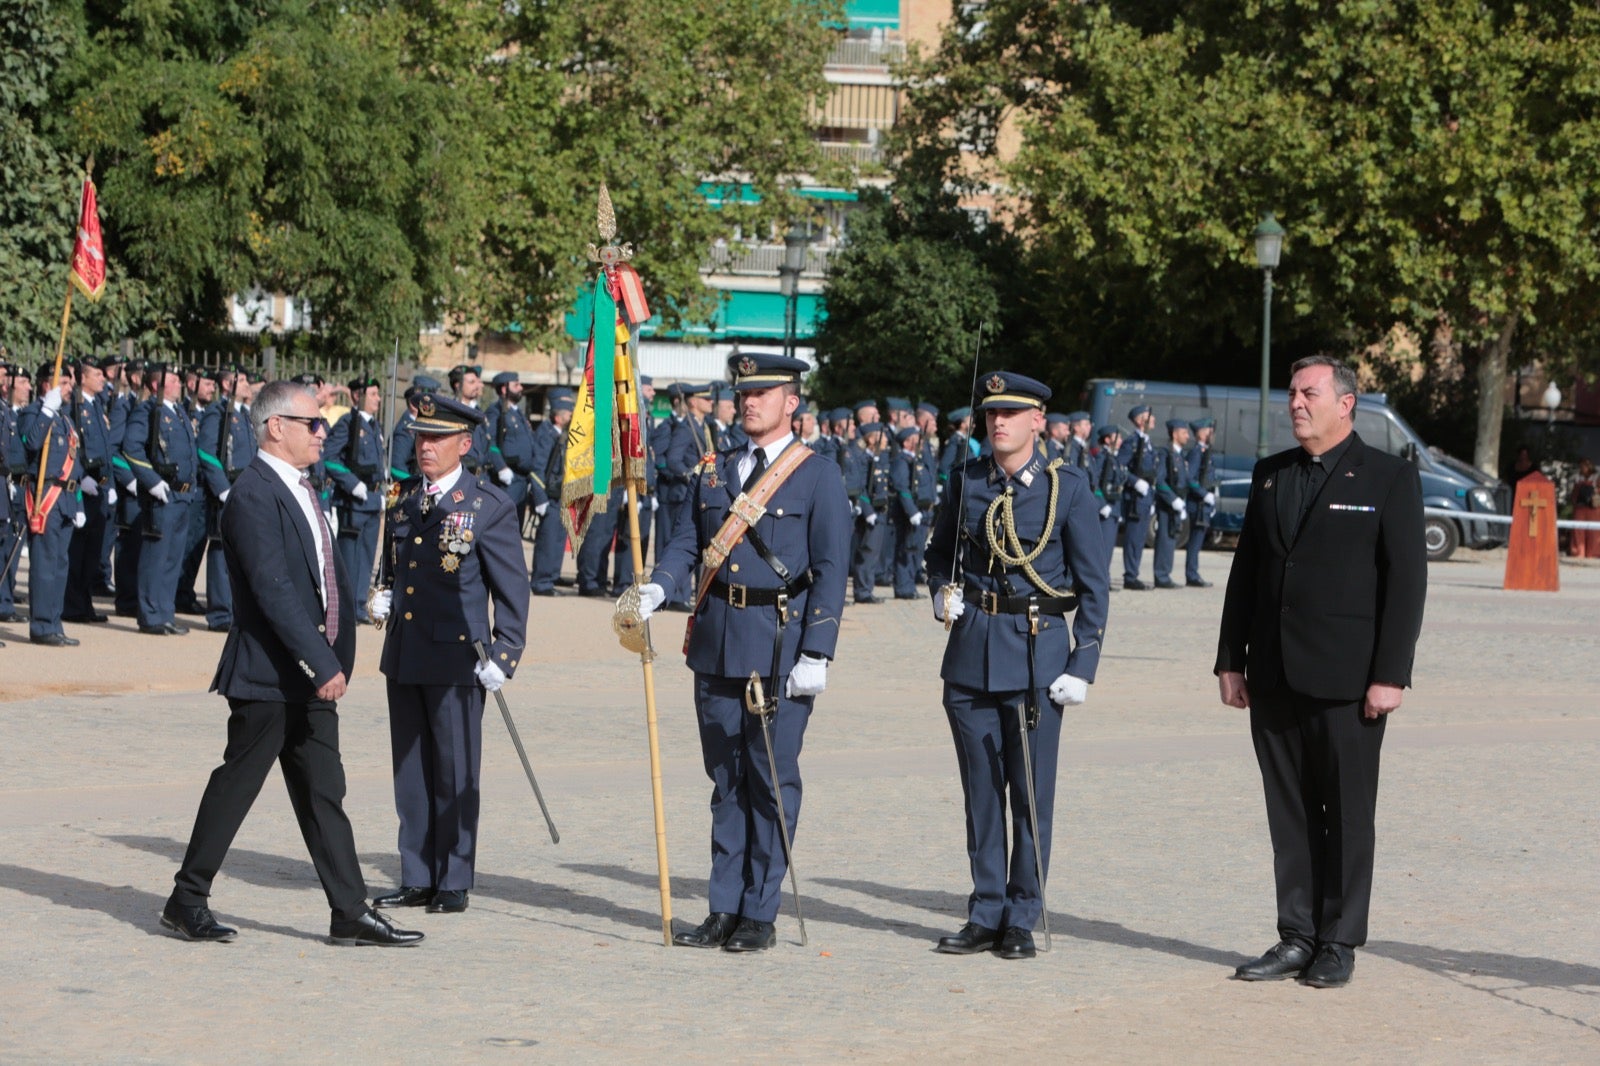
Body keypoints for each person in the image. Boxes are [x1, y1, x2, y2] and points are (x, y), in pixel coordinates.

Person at [159, 380, 423, 947]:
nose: (323, 431)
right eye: (313, 422)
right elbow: (274, 590)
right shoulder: (253, 495)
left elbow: (324, 580)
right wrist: (320, 662)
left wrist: (338, 652)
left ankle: (349, 910)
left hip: (310, 674)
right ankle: (186, 898)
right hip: (269, 674)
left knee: (324, 790)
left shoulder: (304, 487)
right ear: (275, 427)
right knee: (237, 785)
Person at [627, 352, 850, 953]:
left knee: (770, 781)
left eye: (764, 393)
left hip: (779, 646)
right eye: (743, 392)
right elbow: (686, 542)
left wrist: (818, 651)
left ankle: (760, 911)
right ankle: (723, 906)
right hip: (717, 641)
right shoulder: (713, 468)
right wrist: (660, 585)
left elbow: (831, 570)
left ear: (792, 402)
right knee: (725, 781)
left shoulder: (817, 475)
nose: (749, 402)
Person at [1216, 355, 1426, 989]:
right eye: (1292, 394)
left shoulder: (1388, 478)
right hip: (1274, 673)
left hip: (1349, 681)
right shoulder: (1271, 475)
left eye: (1309, 393)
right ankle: (1296, 934)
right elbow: (1246, 573)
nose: (1296, 404)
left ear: (1346, 403)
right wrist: (1231, 659)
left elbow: (1406, 584)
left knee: (1348, 812)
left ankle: (1339, 940)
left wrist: (1390, 674)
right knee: (1290, 811)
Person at [923, 370, 1109, 961]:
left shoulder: (1067, 489)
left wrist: (1084, 662)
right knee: (981, 793)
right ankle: (985, 909)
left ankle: (1022, 914)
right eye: (990, 413)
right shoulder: (967, 481)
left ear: (1038, 422)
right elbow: (938, 554)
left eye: (1011, 413)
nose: (997, 422)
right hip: (972, 653)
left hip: (1036, 657)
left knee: (1029, 795)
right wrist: (939, 591)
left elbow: (1094, 585)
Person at [368, 393, 530, 915]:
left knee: (455, 772)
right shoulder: (405, 499)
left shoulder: (487, 506)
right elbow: (396, 570)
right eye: (419, 436)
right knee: (411, 772)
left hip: (459, 656)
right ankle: (417, 873)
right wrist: (380, 596)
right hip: (407, 653)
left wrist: (505, 654)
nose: (425, 447)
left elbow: (512, 590)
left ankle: (454, 876)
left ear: (464, 443)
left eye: (436, 438)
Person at [17, 363, 85, 646]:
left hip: (67, 499)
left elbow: (75, 464)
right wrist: (46, 410)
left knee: (60, 564)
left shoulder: (66, 419)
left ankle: (54, 622)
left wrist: (79, 502)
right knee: (44, 564)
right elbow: (31, 443)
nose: (70, 389)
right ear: (48, 384)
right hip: (46, 497)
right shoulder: (34, 413)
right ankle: (42, 626)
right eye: (65, 383)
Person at [197, 367, 257, 632]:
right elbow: (207, 451)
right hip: (228, 489)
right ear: (226, 383)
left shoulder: (244, 414)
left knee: (242, 552)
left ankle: (235, 610)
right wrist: (221, 487)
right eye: (241, 380)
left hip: (244, 489)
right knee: (222, 550)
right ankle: (220, 613)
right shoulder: (218, 412)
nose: (246, 385)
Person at [324, 376, 386, 623]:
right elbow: (329, 458)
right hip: (353, 500)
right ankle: (344, 605)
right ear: (357, 396)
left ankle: (359, 605)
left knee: (367, 555)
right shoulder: (347, 423)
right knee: (350, 557)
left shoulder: (374, 426)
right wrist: (353, 484)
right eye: (372, 394)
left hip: (371, 498)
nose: (378, 399)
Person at [63, 357, 114, 625]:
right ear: (83, 377)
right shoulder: (76, 406)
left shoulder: (96, 405)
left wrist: (112, 484)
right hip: (84, 486)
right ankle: (72, 605)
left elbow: (107, 449)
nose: (102, 378)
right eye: (97, 374)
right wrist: (81, 477)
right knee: (78, 550)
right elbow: (73, 447)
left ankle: (84, 603)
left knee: (93, 552)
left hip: (101, 486)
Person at [527, 389, 574, 596]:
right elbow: (537, 468)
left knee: (557, 538)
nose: (571, 416)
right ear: (557, 416)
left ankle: (552, 575)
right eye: (568, 413)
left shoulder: (561, 434)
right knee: (548, 539)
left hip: (560, 495)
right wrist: (540, 498)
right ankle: (542, 581)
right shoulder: (546, 434)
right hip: (548, 495)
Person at [889, 424, 935, 600]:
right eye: (915, 439)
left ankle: (909, 586)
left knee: (915, 550)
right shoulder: (901, 461)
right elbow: (902, 488)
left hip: (922, 511)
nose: (919, 442)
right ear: (907, 442)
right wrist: (912, 511)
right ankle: (903, 588)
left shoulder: (917, 460)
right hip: (910, 514)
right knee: (906, 550)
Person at [1117, 405, 1158, 590]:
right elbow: (1119, 468)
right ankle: (1130, 575)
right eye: (1150, 417)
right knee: (1133, 537)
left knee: (1140, 537)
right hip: (1135, 497)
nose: (1154, 419)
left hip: (1146, 497)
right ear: (1141, 421)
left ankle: (1134, 573)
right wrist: (1135, 482)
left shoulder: (1147, 442)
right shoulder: (1132, 442)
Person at [1151, 419, 1191, 589]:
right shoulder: (1166, 453)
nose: (1187, 436)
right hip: (1168, 503)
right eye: (1184, 432)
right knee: (1165, 539)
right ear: (1174, 434)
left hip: (1177, 501)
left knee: (1171, 538)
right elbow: (1159, 480)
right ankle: (1161, 575)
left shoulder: (1179, 454)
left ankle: (1165, 573)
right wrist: (1172, 499)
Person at [1182, 417, 1217, 587]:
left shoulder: (1205, 452)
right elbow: (1190, 479)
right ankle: (1191, 574)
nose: (1212, 433)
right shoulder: (1197, 453)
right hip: (1198, 504)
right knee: (1195, 540)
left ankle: (1193, 572)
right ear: (1201, 433)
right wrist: (1204, 494)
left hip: (1204, 504)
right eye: (1209, 430)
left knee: (1198, 539)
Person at [1568, 457, 1599, 558]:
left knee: (1594, 531)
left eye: (1585, 465)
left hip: (1593, 508)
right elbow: (1573, 494)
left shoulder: (1597, 477)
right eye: (1581, 465)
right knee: (1578, 529)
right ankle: (1578, 552)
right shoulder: (1577, 477)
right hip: (1580, 507)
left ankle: (1593, 553)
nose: (1583, 467)